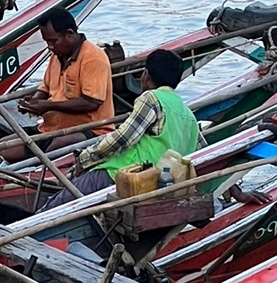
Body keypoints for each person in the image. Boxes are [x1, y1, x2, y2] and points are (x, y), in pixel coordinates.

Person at [72, 47, 201, 186]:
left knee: (61, 200)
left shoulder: (151, 98)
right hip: (164, 180)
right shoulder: (188, 114)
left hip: (129, 175)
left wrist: (85, 158)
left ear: (146, 75)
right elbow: (200, 148)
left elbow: (122, 138)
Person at [18, 6, 115, 134]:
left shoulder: (93, 58)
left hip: (89, 130)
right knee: (2, 147)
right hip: (51, 128)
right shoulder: (56, 55)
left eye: (53, 41)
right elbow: (45, 88)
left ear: (69, 34)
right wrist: (33, 103)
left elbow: (91, 103)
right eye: (47, 42)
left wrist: (48, 105)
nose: (50, 47)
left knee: (53, 150)